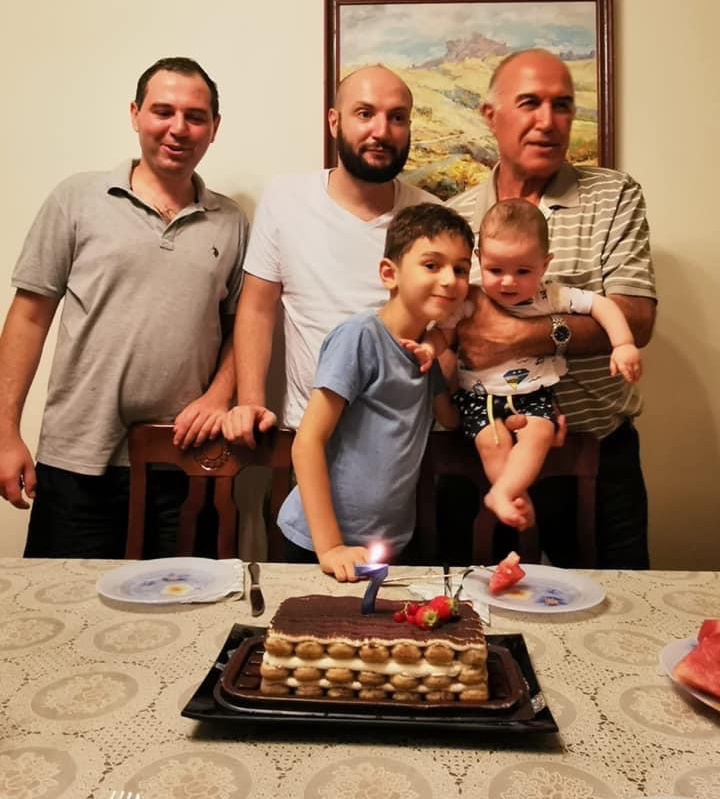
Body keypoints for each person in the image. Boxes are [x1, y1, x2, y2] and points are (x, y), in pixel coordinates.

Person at [0, 56, 249, 558]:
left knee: (188, 605)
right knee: (68, 602)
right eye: (163, 111)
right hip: (78, 460)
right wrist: (5, 433)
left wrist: (219, 395)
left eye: (195, 116)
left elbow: (243, 329)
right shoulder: (76, 198)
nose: (178, 128)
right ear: (135, 114)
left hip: (184, 462)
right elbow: (28, 317)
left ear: (214, 128)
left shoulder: (231, 221)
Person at [445, 48, 657, 569]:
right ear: (490, 115)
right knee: (476, 605)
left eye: (562, 105)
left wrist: (518, 336)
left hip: (596, 454)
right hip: (481, 450)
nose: (548, 120)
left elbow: (636, 318)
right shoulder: (453, 216)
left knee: (615, 606)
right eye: (530, 103)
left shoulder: (613, 195)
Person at [222, 65, 439, 447]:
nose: (381, 131)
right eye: (365, 113)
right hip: (308, 439)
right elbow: (256, 308)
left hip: (403, 445)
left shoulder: (432, 218)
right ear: (334, 122)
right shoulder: (286, 199)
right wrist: (250, 402)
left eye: (397, 117)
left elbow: (448, 327)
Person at [410, 198, 642, 532]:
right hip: (480, 397)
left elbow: (601, 305)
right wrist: (427, 349)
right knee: (492, 444)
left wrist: (623, 344)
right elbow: (443, 334)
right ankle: (512, 496)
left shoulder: (552, 296)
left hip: (534, 393)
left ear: (544, 265)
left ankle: (504, 493)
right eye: (496, 270)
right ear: (479, 259)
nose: (508, 282)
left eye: (523, 271)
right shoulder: (469, 300)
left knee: (540, 433)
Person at [279, 203, 474, 581]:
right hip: (319, 544)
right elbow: (307, 442)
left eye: (461, 269)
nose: (450, 280)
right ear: (389, 274)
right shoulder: (359, 337)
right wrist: (330, 546)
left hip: (391, 543)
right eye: (432, 265)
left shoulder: (427, 356)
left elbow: (451, 419)